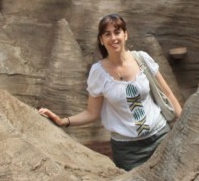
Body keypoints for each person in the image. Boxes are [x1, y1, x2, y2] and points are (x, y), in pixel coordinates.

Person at [38, 13, 183, 170]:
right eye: (107, 34)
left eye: (117, 32)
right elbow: (92, 113)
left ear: (125, 35)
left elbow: (168, 94)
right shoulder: (98, 72)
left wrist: (184, 126)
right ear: (101, 40)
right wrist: (63, 121)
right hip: (128, 151)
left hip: (160, 137)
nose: (113, 38)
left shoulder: (142, 58)